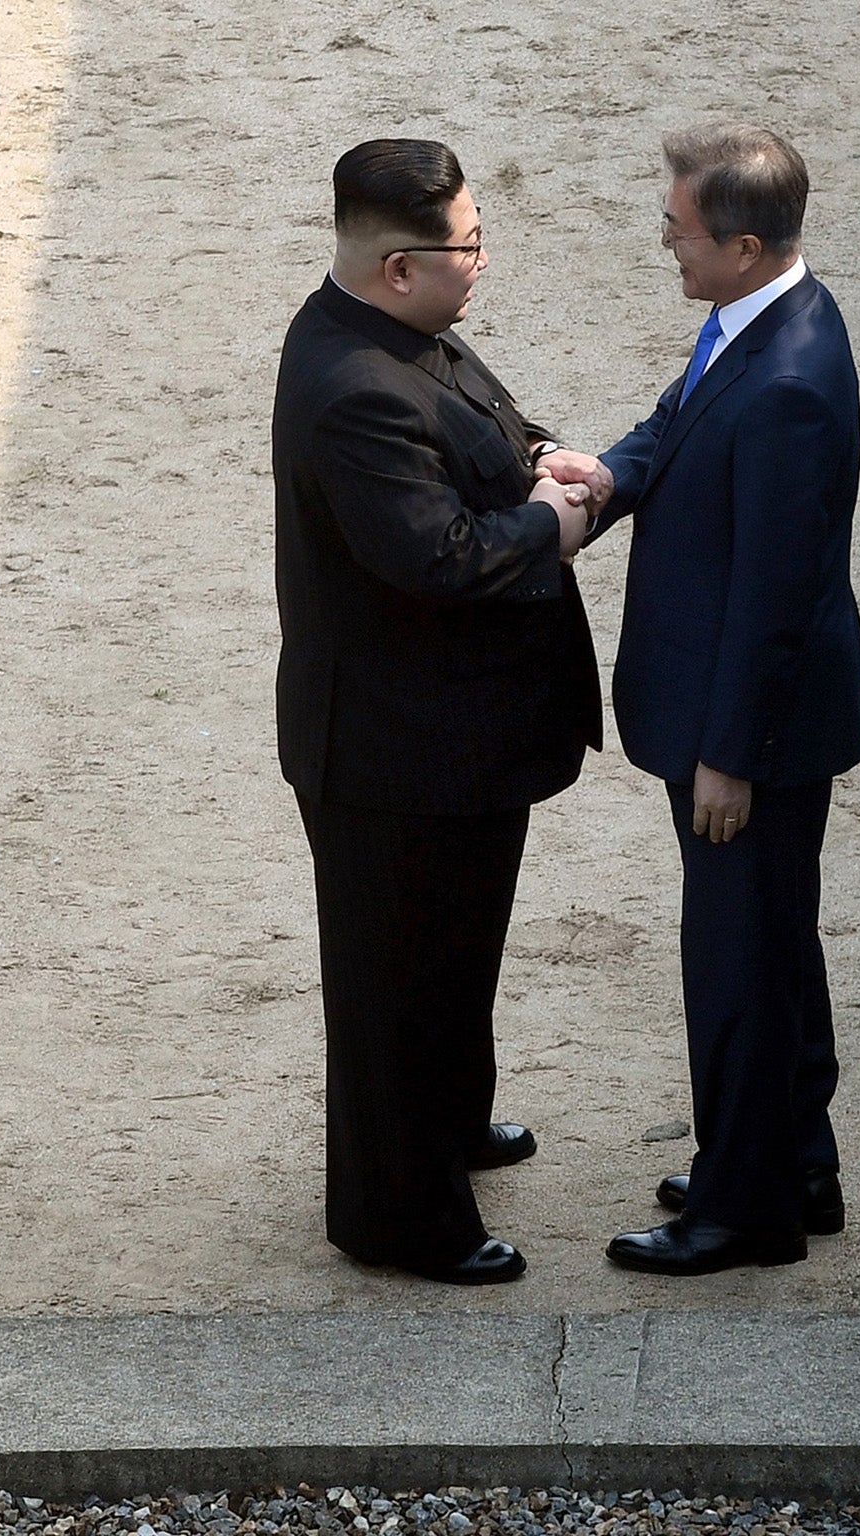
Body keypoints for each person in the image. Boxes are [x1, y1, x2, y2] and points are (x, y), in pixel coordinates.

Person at [270, 138, 606, 1284]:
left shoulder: (392, 332)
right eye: (469, 246)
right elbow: (440, 556)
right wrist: (555, 524)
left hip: (450, 734)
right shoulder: (352, 386)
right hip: (387, 749)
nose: (481, 263)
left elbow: (475, 426)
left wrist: (544, 455)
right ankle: (398, 1215)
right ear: (399, 267)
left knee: (455, 953)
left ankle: (452, 1129)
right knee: (394, 984)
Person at [551, 123, 860, 1275]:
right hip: (763, 723)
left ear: (742, 244)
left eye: (678, 230)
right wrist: (609, 474)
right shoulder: (769, 315)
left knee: (735, 962)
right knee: (772, 942)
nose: (665, 245)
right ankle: (792, 1159)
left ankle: (746, 1211)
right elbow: (676, 419)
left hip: (753, 737)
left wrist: (728, 754)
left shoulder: (787, 382)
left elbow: (773, 598)